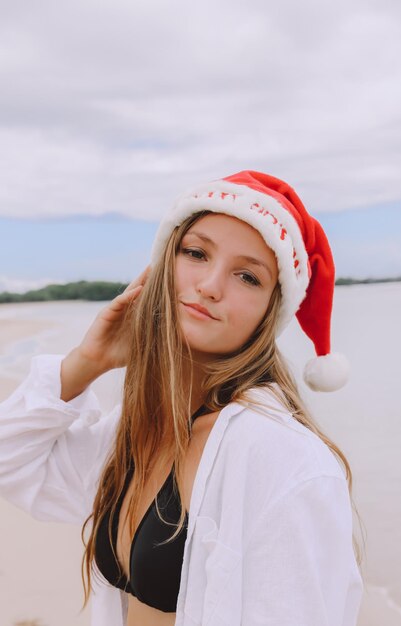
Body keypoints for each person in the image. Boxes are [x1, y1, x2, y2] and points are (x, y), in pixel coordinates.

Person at [0, 170, 363, 626]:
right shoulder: (140, 427)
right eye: (195, 253)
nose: (210, 284)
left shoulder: (284, 459)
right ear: (162, 263)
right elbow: (10, 459)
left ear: (270, 312)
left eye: (248, 277)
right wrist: (87, 361)